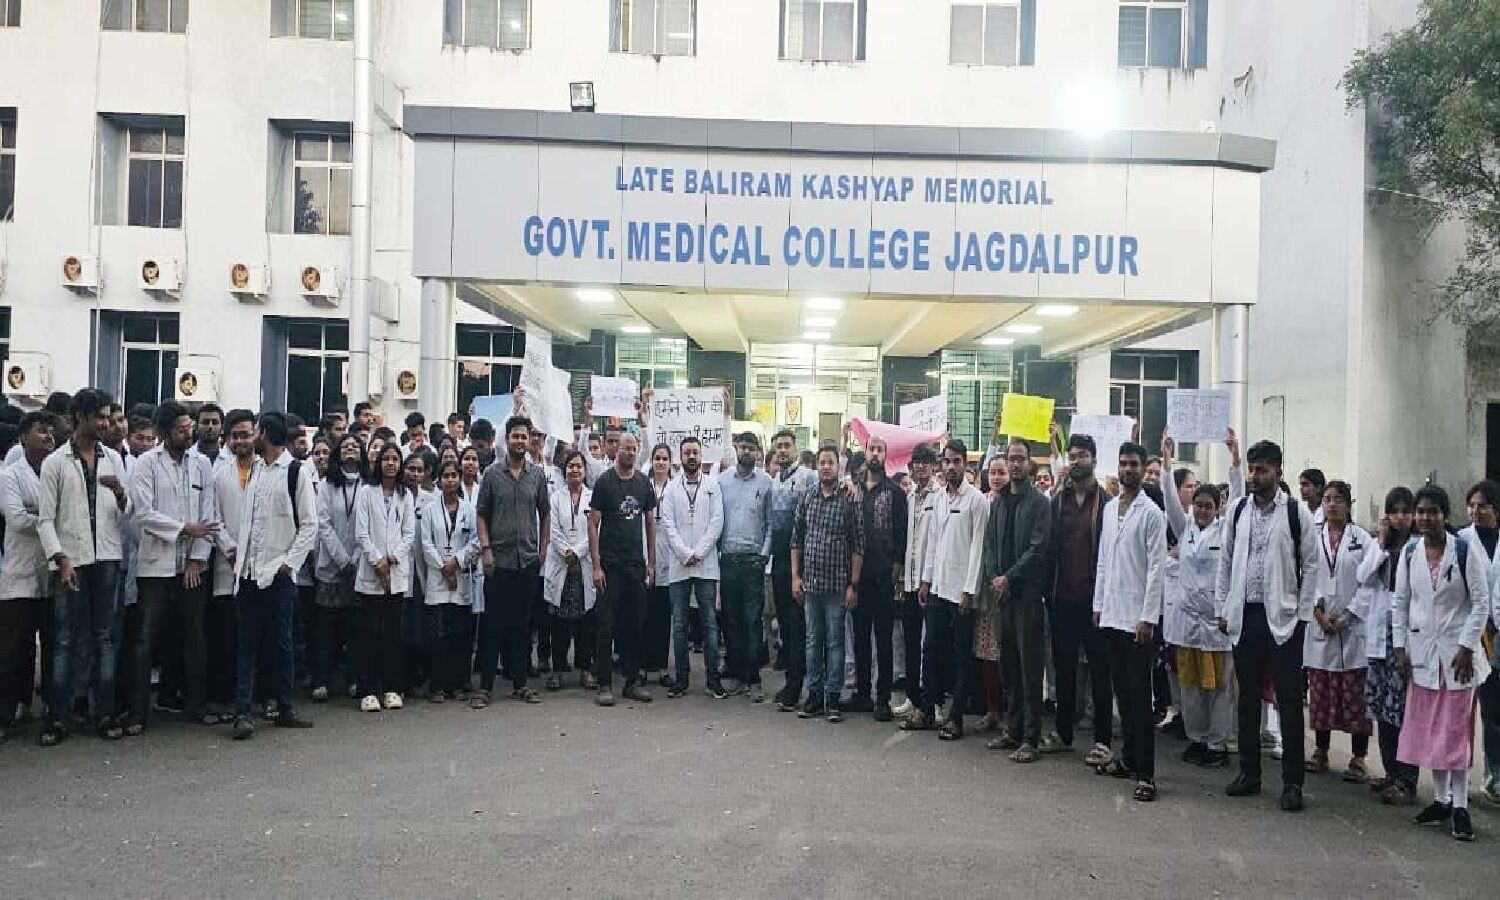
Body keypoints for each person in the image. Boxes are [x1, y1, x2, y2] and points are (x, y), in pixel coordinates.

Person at [1218, 439, 1319, 812]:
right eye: (1251, 469)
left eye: (1262, 470)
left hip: (1283, 619)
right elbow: (1226, 560)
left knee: (1289, 703)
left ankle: (1292, 783)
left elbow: (1312, 565)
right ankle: (1249, 774)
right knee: (1246, 699)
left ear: (1278, 471)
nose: (1254, 476)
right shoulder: (1238, 509)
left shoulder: (1295, 513)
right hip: (1245, 616)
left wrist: (1302, 616)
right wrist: (1223, 606)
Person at [1393, 484, 1493, 842]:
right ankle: (1440, 800)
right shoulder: (1409, 553)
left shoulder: (1464, 551)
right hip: (1423, 654)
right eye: (1420, 512)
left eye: (1432, 512)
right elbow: (1400, 602)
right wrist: (1400, 647)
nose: (1425, 518)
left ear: (1444, 515)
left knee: (1455, 733)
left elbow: (1481, 603)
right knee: (1429, 730)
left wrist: (1466, 647)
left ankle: (1460, 806)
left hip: (1457, 658)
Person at [37, 389, 131, 745]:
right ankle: (58, 717)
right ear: (81, 418)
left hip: (107, 558)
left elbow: (129, 512)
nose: (106, 424)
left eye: (108, 417)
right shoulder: (56, 462)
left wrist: (120, 492)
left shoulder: (113, 458)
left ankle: (104, 713)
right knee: (64, 640)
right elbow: (45, 520)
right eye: (100, 417)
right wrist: (60, 558)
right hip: (71, 560)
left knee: (104, 638)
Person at [124, 401, 219, 734]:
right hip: (156, 567)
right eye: (181, 429)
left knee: (196, 637)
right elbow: (144, 513)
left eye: (189, 427)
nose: (188, 433)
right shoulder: (146, 464)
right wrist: (184, 529)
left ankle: (196, 707)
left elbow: (209, 516)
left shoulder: (201, 464)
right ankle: (138, 713)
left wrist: (197, 558)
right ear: (164, 432)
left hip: (190, 566)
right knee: (146, 639)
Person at [223, 411, 317, 739]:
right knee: (246, 645)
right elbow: (250, 522)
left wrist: (289, 564)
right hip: (249, 572)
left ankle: (285, 707)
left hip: (278, 575)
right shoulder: (257, 470)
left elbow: (310, 525)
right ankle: (243, 712)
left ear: (264, 433)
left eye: (255, 432)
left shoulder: (295, 472)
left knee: (282, 644)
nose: (251, 438)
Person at [1160, 430, 1242, 769]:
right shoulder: (1185, 529)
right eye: (1199, 505)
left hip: (1214, 626)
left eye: (1209, 506)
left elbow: (1239, 497)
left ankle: (1217, 743)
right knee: (1190, 686)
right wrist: (1167, 458)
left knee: (1218, 688)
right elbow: (1169, 498)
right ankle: (1196, 738)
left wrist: (1235, 460)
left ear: (1219, 507)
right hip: (1187, 625)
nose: (1203, 510)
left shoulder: (1227, 530)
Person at [1091, 441, 1167, 801]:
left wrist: (1148, 617)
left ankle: (1146, 774)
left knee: (1140, 699)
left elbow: (1157, 570)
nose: (1127, 469)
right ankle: (1128, 758)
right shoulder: (1110, 510)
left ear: (1142, 468)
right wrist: (1098, 604)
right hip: (1112, 615)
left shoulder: (1152, 514)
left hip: (1138, 621)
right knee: (1122, 694)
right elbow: (1104, 561)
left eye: (1134, 464)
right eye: (1123, 463)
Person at [981, 440, 1053, 761]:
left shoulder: (1039, 503)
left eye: (1021, 459)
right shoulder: (998, 502)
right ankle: (1012, 730)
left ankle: (1030, 738)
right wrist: (995, 578)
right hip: (1003, 597)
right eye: (1011, 459)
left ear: (1029, 463)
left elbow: (1038, 549)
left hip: (1027, 596)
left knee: (1029, 670)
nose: (1015, 464)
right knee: (1008, 667)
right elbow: (989, 545)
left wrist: (1009, 577)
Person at [1044, 432, 1114, 766]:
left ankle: (1102, 740)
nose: (1076, 461)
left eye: (1082, 455)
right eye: (1072, 456)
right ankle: (1063, 734)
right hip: (1063, 597)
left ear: (1094, 460)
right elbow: (1049, 547)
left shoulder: (1108, 503)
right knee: (1064, 670)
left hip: (1095, 602)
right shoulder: (1059, 501)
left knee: (1100, 671)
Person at [1300, 480, 1375, 781]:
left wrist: (1348, 616)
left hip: (1352, 628)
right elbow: (1305, 575)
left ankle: (1358, 757)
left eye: (1338, 499)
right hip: (1320, 624)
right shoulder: (1312, 537)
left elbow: (1370, 582)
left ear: (1349, 504)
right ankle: (1321, 751)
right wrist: (1318, 612)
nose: (1332, 504)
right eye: (1327, 499)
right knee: (1321, 693)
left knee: (1356, 697)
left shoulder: (1362, 540)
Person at [915, 440, 988, 740]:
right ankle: (927, 710)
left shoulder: (976, 501)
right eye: (947, 461)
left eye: (957, 461)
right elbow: (933, 542)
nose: (952, 466)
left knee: (961, 656)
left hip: (961, 592)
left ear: (965, 465)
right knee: (931, 649)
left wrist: (970, 590)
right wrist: (925, 579)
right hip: (937, 587)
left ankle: (955, 717)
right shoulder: (939, 499)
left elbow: (978, 548)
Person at [474, 416, 550, 707]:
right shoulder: (492, 474)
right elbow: (482, 514)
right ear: (506, 440)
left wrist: (542, 550)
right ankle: (485, 687)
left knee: (522, 626)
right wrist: (486, 549)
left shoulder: (537, 476)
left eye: (524, 437)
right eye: (515, 436)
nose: (520, 441)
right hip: (498, 561)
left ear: (530, 441)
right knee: (493, 626)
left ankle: (520, 684)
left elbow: (545, 513)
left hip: (527, 561)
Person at [791, 444, 865, 723]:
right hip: (810, 585)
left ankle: (833, 697)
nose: (825, 467)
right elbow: (796, 539)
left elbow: (858, 545)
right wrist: (795, 576)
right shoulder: (808, 497)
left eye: (830, 462)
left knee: (835, 643)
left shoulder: (849, 499)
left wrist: (853, 585)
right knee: (813, 641)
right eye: (822, 462)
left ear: (838, 466)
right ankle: (814, 696)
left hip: (837, 586)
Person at [1354, 486, 1418, 804]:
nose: (1400, 517)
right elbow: (1363, 576)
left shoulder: (1419, 547)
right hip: (1380, 637)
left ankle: (1407, 778)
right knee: (1382, 708)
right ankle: (1391, 771)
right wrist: (1380, 543)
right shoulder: (1380, 545)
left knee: (1403, 711)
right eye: (1395, 511)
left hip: (1404, 638)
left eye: (1406, 511)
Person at [588, 431, 656, 707]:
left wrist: (651, 563)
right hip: (609, 565)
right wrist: (596, 565)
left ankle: (632, 682)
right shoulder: (604, 482)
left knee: (635, 624)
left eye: (633, 448)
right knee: (606, 625)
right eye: (625, 448)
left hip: (635, 565)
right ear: (616, 450)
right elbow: (593, 523)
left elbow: (650, 523)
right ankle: (604, 684)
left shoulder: (643, 483)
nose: (630, 452)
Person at [0, 413, 53, 740]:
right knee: (13, 648)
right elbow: (17, 519)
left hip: (50, 571)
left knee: (51, 644)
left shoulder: (53, 471)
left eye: (51, 432)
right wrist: (48, 521)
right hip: (19, 573)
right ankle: (5, 714)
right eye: (41, 431)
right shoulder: (9, 475)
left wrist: (41, 515)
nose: (48, 437)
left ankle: (46, 708)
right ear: (23, 437)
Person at [659, 435, 725, 699]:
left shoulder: (712, 485)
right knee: (679, 624)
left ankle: (713, 680)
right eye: (687, 452)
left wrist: (699, 552)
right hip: (679, 564)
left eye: (695, 452)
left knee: (709, 622)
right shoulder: (671, 489)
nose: (691, 456)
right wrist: (685, 553)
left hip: (706, 564)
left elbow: (717, 521)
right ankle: (681, 679)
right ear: (680, 457)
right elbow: (668, 525)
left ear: (701, 455)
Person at [848, 435, 907, 721]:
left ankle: (882, 698)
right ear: (865, 451)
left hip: (883, 576)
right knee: (860, 637)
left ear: (886, 455)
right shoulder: (853, 490)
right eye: (871, 449)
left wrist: (897, 567)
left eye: (880, 450)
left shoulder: (894, 492)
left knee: (883, 639)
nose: (875, 454)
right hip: (857, 575)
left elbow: (901, 532)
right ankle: (862, 694)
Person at [353, 444, 416, 713]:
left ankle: (391, 688)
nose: (391, 463)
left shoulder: (406, 495)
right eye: (386, 459)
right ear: (378, 463)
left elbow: (409, 534)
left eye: (395, 459)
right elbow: (361, 533)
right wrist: (377, 561)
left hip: (396, 572)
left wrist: (391, 559)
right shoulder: (366, 493)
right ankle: (368, 690)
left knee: (393, 635)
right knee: (369, 635)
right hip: (371, 572)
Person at [717, 432, 773, 701]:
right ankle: (738, 675)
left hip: (753, 562)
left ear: (758, 452)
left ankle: (754, 679)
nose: (747, 452)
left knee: (752, 621)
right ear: (736, 449)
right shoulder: (722, 481)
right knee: (731, 620)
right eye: (743, 447)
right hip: (728, 559)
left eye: (752, 448)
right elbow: (716, 519)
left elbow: (771, 524)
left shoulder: (766, 482)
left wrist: (763, 555)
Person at [419, 460, 480, 702]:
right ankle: (437, 686)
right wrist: (444, 568)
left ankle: (457, 684)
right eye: (446, 476)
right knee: (437, 637)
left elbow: (475, 541)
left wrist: (456, 562)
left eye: (454, 475)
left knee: (460, 636)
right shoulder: (429, 509)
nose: (451, 480)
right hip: (437, 578)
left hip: (461, 577)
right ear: (439, 480)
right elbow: (425, 543)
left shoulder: (469, 510)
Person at [1456, 481, 1500, 805]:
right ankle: (1458, 775)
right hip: (1473, 633)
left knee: (1495, 708)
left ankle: (1494, 773)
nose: (1475, 511)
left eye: (1482, 505)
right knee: (1467, 708)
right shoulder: (1461, 540)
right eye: (1471, 505)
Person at [312, 434, 364, 702]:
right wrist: (343, 560)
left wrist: (354, 559)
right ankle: (321, 681)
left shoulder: (368, 484)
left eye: (355, 446)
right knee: (325, 629)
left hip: (359, 565)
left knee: (354, 628)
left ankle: (353, 679)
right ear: (338, 453)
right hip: (331, 566)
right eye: (345, 446)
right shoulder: (326, 485)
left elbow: (368, 527)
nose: (350, 449)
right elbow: (322, 524)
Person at [769, 429, 818, 711]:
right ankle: (790, 682)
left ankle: (800, 687)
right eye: (779, 446)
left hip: (800, 561)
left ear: (796, 448)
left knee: (799, 627)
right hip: (779, 559)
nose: (783, 450)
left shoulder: (808, 477)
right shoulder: (775, 480)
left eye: (787, 445)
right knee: (786, 627)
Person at [544, 451, 597, 690]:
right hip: (561, 564)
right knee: (559, 625)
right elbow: (553, 530)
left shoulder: (593, 498)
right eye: (570, 466)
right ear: (564, 471)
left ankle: (586, 670)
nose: (574, 470)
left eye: (578, 466)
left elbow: (595, 529)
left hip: (583, 566)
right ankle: (557, 670)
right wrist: (567, 551)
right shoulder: (555, 498)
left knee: (585, 623)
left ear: (585, 471)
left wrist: (577, 552)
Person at [895, 444, 939, 722]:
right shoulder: (909, 496)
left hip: (930, 583)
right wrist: (903, 578)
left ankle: (932, 702)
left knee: (930, 646)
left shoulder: (940, 496)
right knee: (910, 642)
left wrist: (926, 578)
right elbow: (906, 541)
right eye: (917, 462)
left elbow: (936, 542)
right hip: (910, 581)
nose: (921, 466)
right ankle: (912, 698)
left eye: (925, 461)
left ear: (933, 466)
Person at [642, 444, 675, 688]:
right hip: (645, 554)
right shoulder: (644, 487)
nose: (660, 462)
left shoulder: (675, 488)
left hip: (669, 558)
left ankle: (663, 667)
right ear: (651, 461)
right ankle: (643, 667)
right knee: (644, 615)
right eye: (657, 458)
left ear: (670, 462)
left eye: (664, 458)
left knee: (663, 617)